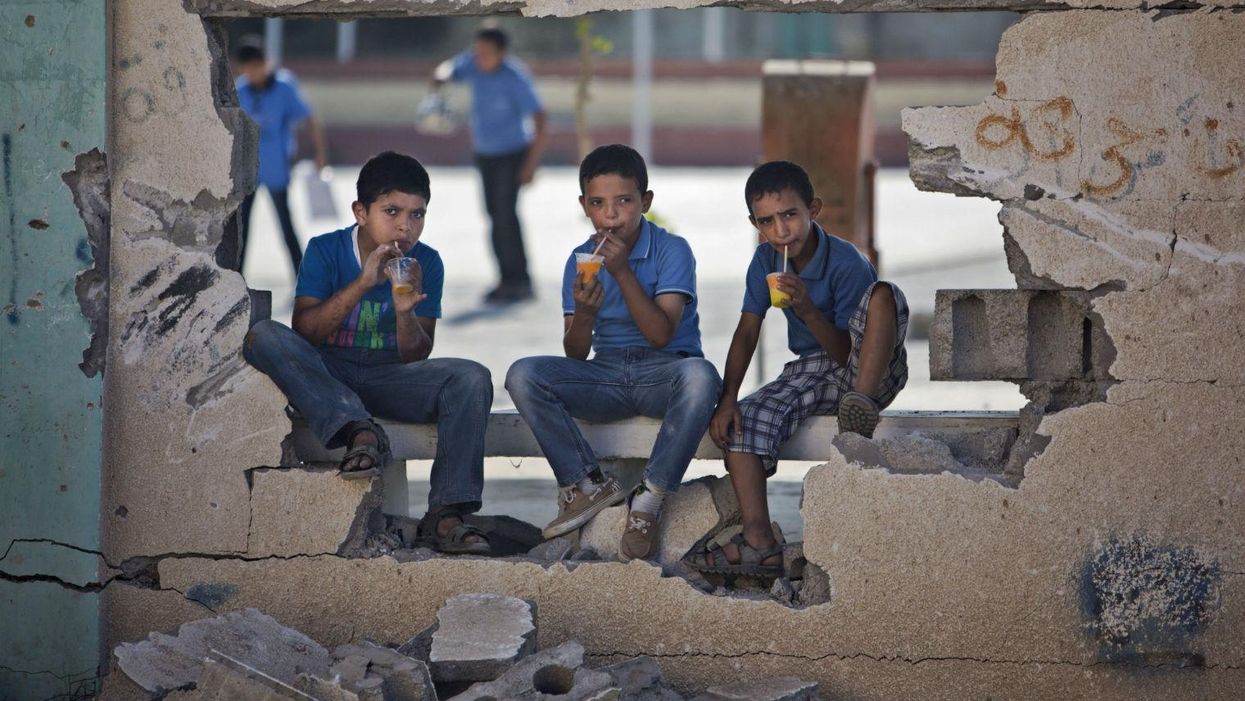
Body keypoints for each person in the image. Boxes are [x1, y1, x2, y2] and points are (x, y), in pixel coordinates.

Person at [242, 151, 492, 556]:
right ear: (361, 212)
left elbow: (415, 356)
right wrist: (362, 282)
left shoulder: (427, 262)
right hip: (329, 376)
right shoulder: (325, 249)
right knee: (265, 335)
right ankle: (360, 430)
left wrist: (405, 313)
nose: (405, 226)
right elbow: (305, 332)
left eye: (417, 215)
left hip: (388, 376)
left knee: (471, 378)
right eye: (392, 211)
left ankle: (447, 515)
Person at [684, 160, 909, 577]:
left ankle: (859, 405)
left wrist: (805, 307)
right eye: (767, 221)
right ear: (756, 224)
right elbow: (747, 331)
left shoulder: (845, 261)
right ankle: (760, 543)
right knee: (744, 423)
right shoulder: (765, 262)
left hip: (869, 367)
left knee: (885, 294)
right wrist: (728, 399)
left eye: (790, 215)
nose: (781, 231)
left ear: (813, 209)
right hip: (811, 369)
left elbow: (846, 353)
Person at [506, 145, 722, 561]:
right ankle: (587, 484)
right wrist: (584, 313)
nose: (611, 216)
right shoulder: (580, 260)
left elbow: (661, 334)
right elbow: (575, 353)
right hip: (604, 375)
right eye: (599, 204)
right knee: (524, 374)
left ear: (646, 202)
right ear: (584, 206)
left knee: (702, 376)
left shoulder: (672, 250)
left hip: (665, 374)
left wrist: (622, 271)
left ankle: (649, 500)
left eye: (624, 202)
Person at [433, 27, 548, 304]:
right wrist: (442, 76)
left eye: (486, 53)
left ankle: (519, 281)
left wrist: (531, 165)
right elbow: (448, 69)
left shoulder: (515, 77)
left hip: (512, 154)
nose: (479, 57)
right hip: (485, 155)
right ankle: (506, 279)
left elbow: (540, 118)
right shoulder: (472, 64)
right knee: (494, 216)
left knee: (505, 216)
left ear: (502, 53)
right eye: (477, 51)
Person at [233, 35, 328, 276]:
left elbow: (309, 118)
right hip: (247, 172)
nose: (253, 72)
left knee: (286, 226)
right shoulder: (239, 90)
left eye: (257, 66)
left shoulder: (284, 86)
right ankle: (236, 280)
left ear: (266, 62)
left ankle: (303, 278)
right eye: (248, 68)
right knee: (241, 231)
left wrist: (319, 154)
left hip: (277, 167)